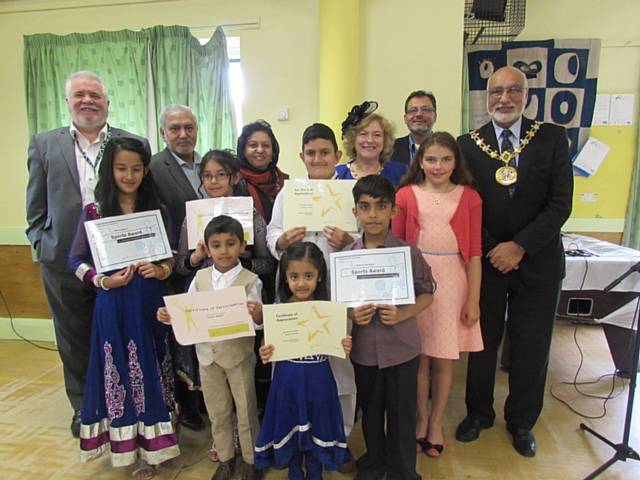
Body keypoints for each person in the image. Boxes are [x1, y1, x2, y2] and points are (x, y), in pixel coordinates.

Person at [455, 66, 573, 458]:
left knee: (531, 345)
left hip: (538, 263)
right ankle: (478, 413)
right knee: (482, 342)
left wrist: (519, 246)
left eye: (513, 91)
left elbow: (560, 204)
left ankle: (521, 421)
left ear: (527, 97)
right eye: (495, 92)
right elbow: (465, 207)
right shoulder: (467, 145)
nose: (503, 99)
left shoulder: (553, 138)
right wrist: (494, 249)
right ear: (485, 98)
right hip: (487, 263)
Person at [25, 70, 150, 437]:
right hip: (64, 259)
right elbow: (35, 205)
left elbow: (145, 201)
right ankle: (85, 409)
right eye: (80, 94)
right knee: (74, 337)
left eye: (95, 95)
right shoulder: (45, 144)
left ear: (107, 102)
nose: (88, 101)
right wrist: (40, 242)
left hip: (120, 260)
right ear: (68, 101)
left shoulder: (132, 141)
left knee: (121, 332)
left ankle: (127, 404)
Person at [68, 137, 179, 479]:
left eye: (136, 168)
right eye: (121, 168)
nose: (129, 175)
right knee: (120, 369)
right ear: (109, 170)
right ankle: (125, 448)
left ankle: (155, 447)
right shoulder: (94, 212)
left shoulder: (156, 210)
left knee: (152, 368)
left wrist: (163, 270)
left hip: (149, 302)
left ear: (146, 171)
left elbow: (172, 255)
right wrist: (104, 281)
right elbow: (75, 260)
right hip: (113, 303)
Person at [266, 123, 357, 472]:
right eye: (311, 153)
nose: (318, 158)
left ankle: (339, 439)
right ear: (302, 157)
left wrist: (348, 243)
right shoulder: (289, 194)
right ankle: (294, 436)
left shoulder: (349, 192)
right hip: (294, 295)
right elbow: (272, 233)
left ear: (337, 154)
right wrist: (282, 241)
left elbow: (364, 237)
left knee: (337, 365)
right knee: (291, 362)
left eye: (324, 152)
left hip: (336, 291)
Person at [393, 132, 483, 457]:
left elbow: (474, 253)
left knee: (444, 359)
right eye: (431, 159)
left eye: (446, 159)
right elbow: (398, 248)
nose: (438, 166)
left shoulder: (469, 197)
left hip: (453, 282)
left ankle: (436, 422)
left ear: (456, 161)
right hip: (416, 280)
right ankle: (421, 418)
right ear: (420, 160)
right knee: (420, 358)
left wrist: (473, 299)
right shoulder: (405, 194)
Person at [175, 149, 276, 438]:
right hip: (206, 307)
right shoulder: (192, 215)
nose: (214, 181)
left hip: (238, 304)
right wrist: (195, 260)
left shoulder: (249, 213)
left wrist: (239, 261)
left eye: (221, 174)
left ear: (233, 177)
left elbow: (267, 263)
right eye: (207, 175)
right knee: (215, 392)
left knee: (244, 392)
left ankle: (249, 453)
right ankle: (223, 447)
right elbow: (180, 266)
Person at [158, 215, 264, 480]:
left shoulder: (252, 280)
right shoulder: (199, 278)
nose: (224, 251)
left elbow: (259, 324)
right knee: (217, 411)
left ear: (242, 246)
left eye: (230, 244)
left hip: (238, 356)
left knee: (246, 409)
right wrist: (171, 315)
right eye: (216, 245)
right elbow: (188, 311)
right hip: (207, 357)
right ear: (207, 248)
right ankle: (226, 458)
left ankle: (251, 460)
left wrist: (259, 315)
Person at [345, 175, 436, 480]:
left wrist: (402, 314)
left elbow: (427, 294)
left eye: (381, 207)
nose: (372, 214)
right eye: (365, 207)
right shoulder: (346, 258)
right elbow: (338, 304)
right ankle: (373, 465)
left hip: (402, 350)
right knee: (370, 413)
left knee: (402, 415)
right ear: (355, 211)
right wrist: (351, 315)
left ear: (393, 212)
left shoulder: (409, 254)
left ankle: (402, 470)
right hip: (364, 352)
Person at [254, 242, 351, 480]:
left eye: (309, 275)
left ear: (320, 277)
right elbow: (267, 342)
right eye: (294, 276)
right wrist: (264, 350)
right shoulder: (278, 309)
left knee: (317, 427)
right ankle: (295, 473)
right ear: (285, 277)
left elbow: (341, 342)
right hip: (287, 382)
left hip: (319, 383)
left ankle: (315, 474)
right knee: (291, 428)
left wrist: (346, 345)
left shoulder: (330, 309)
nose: (301, 283)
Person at [149, 104, 204, 431]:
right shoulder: (154, 167)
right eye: (175, 128)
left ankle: (206, 401)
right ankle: (189, 405)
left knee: (210, 334)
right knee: (183, 338)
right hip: (178, 265)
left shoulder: (208, 162)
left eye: (189, 127)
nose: (183, 134)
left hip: (216, 263)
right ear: (163, 132)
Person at [336, 101, 408, 186]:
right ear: (353, 139)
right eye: (363, 134)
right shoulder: (338, 174)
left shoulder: (400, 173)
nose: (370, 140)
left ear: (385, 140)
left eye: (377, 135)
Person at [236, 120, 289, 224]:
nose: (260, 150)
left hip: (282, 239)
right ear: (243, 150)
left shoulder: (285, 182)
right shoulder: (235, 182)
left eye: (266, 145)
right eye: (253, 145)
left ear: (273, 152)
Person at [390, 91, 438, 166]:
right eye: (413, 110)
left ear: (435, 116)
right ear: (405, 118)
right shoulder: (390, 149)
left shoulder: (447, 148)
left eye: (425, 109)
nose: (419, 114)